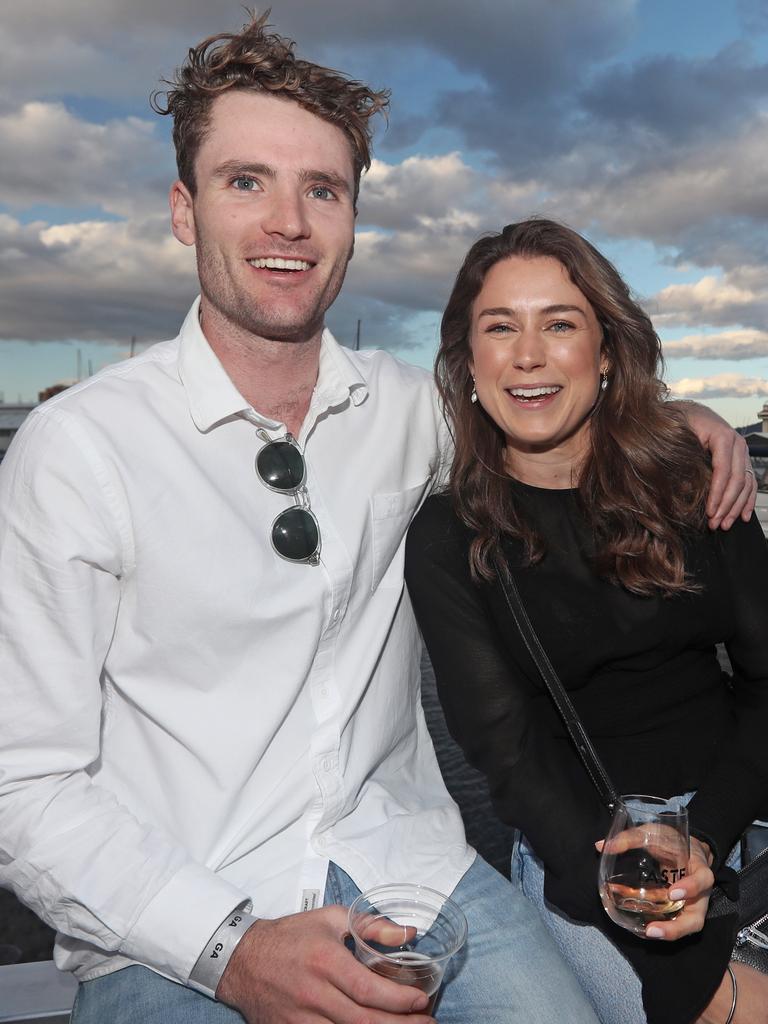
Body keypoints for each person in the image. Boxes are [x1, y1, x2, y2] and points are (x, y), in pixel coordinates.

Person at [0, 16, 752, 1024]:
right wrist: (228, 950)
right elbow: (25, 784)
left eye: (323, 189)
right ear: (184, 211)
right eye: (245, 182)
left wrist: (680, 423)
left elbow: (540, 411)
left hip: (413, 870)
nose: (288, 223)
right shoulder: (80, 451)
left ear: (353, 217)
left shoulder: (409, 410)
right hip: (173, 914)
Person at [405, 218, 768, 1024]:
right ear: (468, 362)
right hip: (593, 857)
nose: (527, 355)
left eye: (559, 324)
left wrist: (704, 833)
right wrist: (645, 870)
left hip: (741, 815)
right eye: (500, 327)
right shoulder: (451, 535)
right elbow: (507, 755)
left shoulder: (695, 483)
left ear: (606, 352)